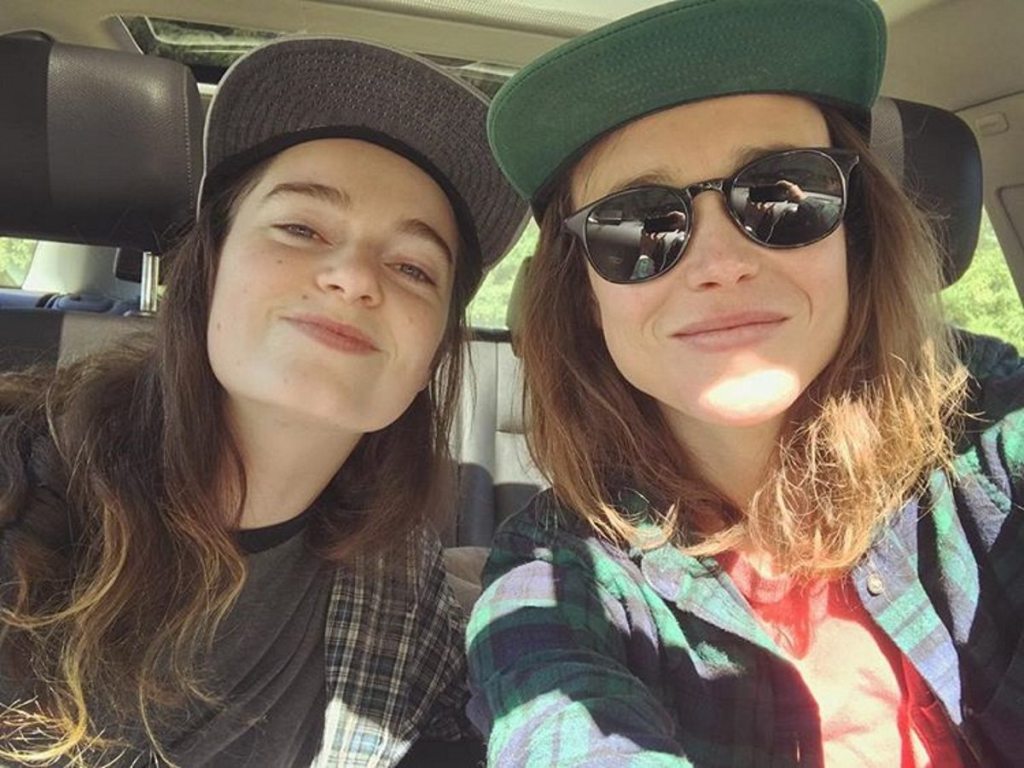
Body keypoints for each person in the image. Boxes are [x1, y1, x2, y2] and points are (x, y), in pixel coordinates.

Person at [466, 0, 1023, 765]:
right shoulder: (558, 577)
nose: (720, 263)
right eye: (637, 224)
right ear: (585, 298)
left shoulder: (987, 428)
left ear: (855, 237)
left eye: (782, 194)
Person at [0, 36, 525, 767]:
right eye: (301, 228)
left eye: (413, 267)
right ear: (208, 270)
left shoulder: (399, 585)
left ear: (430, 357)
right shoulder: (20, 484)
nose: (353, 277)